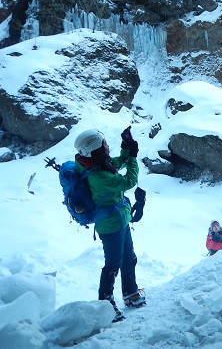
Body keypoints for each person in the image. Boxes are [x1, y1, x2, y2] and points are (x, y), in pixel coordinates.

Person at [73, 126, 146, 322]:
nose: (107, 146)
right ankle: (105, 304)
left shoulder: (96, 163)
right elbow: (129, 181)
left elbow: (115, 163)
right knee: (112, 264)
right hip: (110, 225)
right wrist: (132, 158)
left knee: (129, 257)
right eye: (104, 144)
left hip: (121, 219)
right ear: (96, 149)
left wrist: (126, 149)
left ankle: (130, 293)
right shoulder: (98, 175)